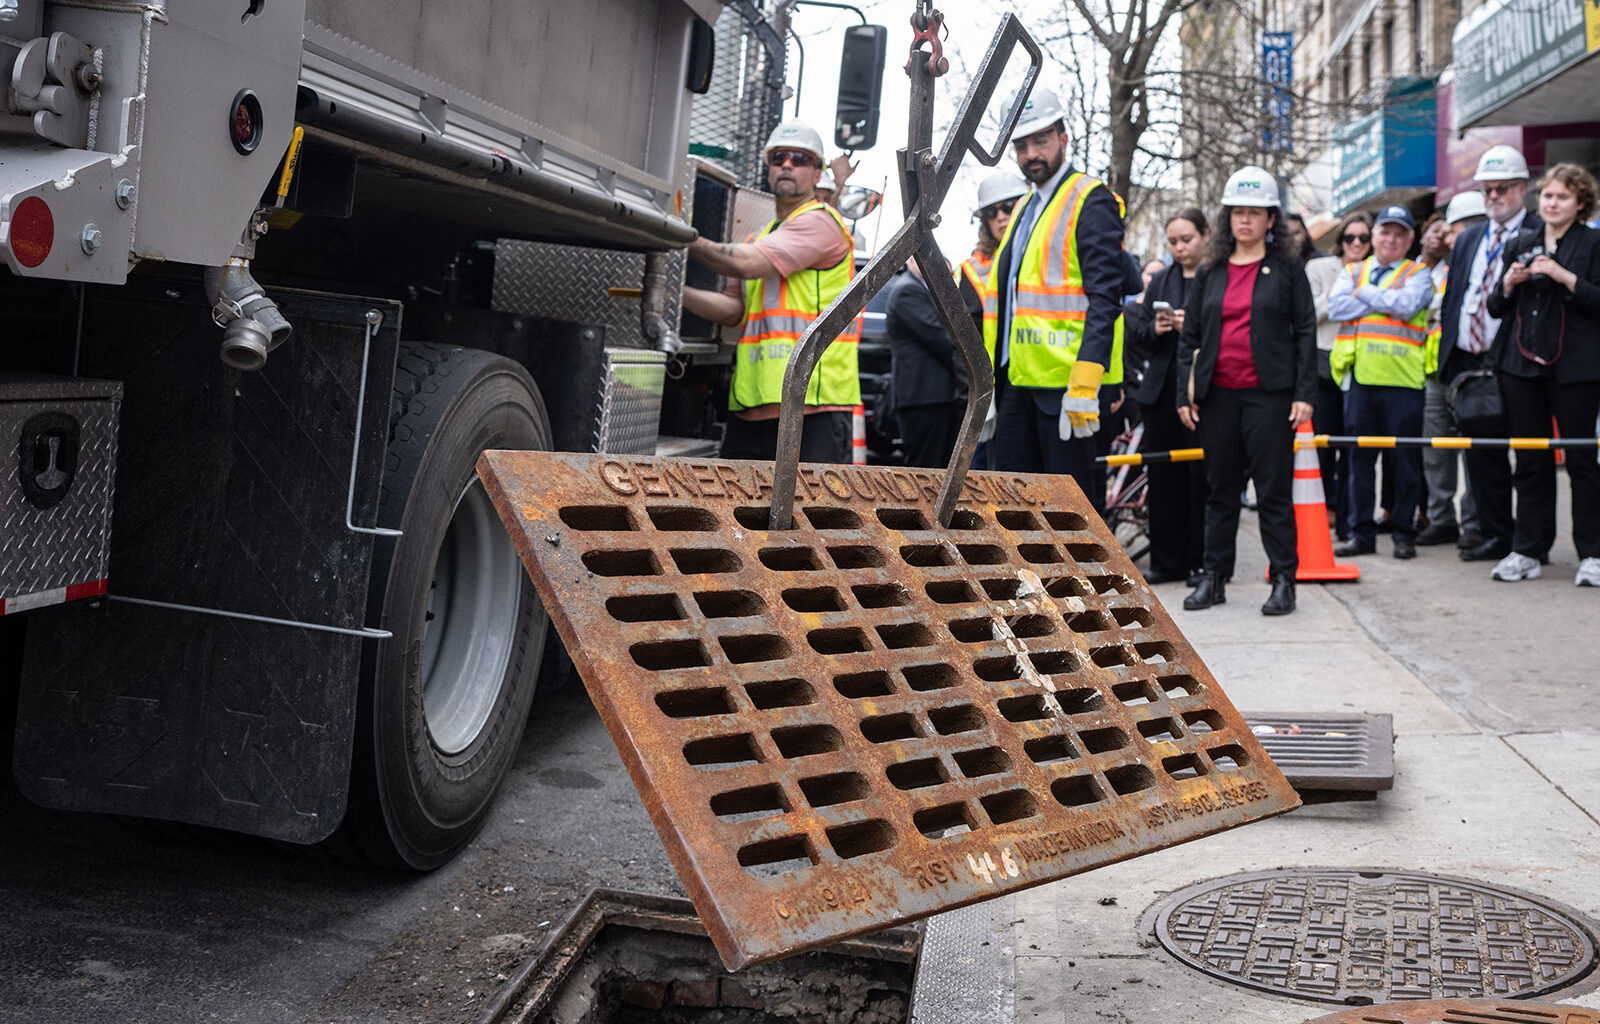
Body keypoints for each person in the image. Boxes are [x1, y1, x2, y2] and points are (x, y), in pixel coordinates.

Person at [1176, 167, 1316, 615]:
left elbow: (1307, 332)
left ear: (1271, 220)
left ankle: (1283, 581)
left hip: (1271, 397)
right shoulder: (1211, 270)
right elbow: (1190, 336)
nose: (1245, 221)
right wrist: (1186, 394)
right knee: (1221, 490)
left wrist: (1303, 392)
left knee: (1273, 492)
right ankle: (1214, 578)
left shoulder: (1289, 268)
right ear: (1227, 218)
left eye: (1255, 213)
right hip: (1218, 396)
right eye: (1238, 212)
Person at [681, 119, 860, 462]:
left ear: (817, 173)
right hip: (753, 408)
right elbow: (734, 309)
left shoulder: (821, 223)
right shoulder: (759, 237)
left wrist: (683, 237)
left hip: (811, 410)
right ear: (769, 169)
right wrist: (676, 296)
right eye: (778, 157)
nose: (787, 164)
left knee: (806, 516)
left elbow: (747, 264)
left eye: (800, 158)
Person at [982, 85, 1125, 509]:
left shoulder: (1089, 199)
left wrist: (1086, 382)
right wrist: (991, 385)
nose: (1031, 154)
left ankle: (1087, 580)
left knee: (1071, 515)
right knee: (1017, 513)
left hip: (1066, 389)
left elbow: (1106, 299)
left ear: (1064, 138)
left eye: (1040, 140)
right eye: (1021, 145)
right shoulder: (1027, 206)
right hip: (1017, 386)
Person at [1483, 162, 1600, 585]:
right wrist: (1510, 283)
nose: (1552, 203)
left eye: (1562, 197)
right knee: (1530, 461)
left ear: (1580, 202)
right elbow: (1496, 307)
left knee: (1582, 460)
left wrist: (1563, 275)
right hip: (1522, 365)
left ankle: (1593, 553)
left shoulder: (1592, 243)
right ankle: (1529, 549)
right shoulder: (1521, 243)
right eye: (1548, 196)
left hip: (1576, 368)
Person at [1436, 144, 1537, 563]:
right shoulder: (1471, 238)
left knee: (1530, 458)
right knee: (1482, 457)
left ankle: (1532, 541)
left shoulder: (1535, 233)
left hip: (1517, 359)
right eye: (1487, 190)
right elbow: (1456, 294)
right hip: (1469, 360)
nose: (1493, 197)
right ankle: (1496, 535)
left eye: (1502, 189)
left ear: (1521, 188)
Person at [1328, 205, 1434, 560]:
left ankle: (1404, 534)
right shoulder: (1354, 269)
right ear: (1374, 237)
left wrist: (1364, 295)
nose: (1391, 239)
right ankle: (1361, 534)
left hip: (1404, 381)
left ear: (1409, 240)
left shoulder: (1418, 272)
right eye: (1385, 232)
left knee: (1405, 462)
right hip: (1361, 380)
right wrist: (1383, 298)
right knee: (1359, 463)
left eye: (1399, 234)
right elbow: (1336, 307)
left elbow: (1407, 306)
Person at [1126, 207, 1209, 585]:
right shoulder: (1161, 280)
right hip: (1160, 392)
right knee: (1162, 478)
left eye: (1186, 240)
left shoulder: (1214, 276)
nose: (1179, 248)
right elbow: (1138, 332)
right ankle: (1165, 560)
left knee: (1200, 477)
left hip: (1199, 392)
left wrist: (1189, 324)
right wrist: (1158, 326)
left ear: (1205, 236)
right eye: (1173, 241)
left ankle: (1200, 561)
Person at [1416, 204, 1479, 547]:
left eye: (1453, 230)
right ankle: (1442, 519)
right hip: (1433, 372)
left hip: (1469, 369)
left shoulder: (1476, 265)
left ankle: (1474, 521)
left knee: (1473, 450)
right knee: (1436, 451)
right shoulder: (1435, 269)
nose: (1448, 237)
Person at [1308, 212, 1372, 541]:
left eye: (1364, 238)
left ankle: (1351, 519)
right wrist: (1345, 292)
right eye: (1351, 238)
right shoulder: (1320, 269)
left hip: (1364, 364)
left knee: (1355, 449)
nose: (1357, 244)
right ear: (1340, 240)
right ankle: (1324, 511)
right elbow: (1311, 312)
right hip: (1324, 360)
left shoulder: (1379, 271)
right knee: (1323, 446)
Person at [883, 259, 968, 469]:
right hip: (923, 398)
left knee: (938, 468)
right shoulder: (908, 291)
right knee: (925, 469)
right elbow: (941, 338)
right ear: (912, 260)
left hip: (933, 397)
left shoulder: (919, 289)